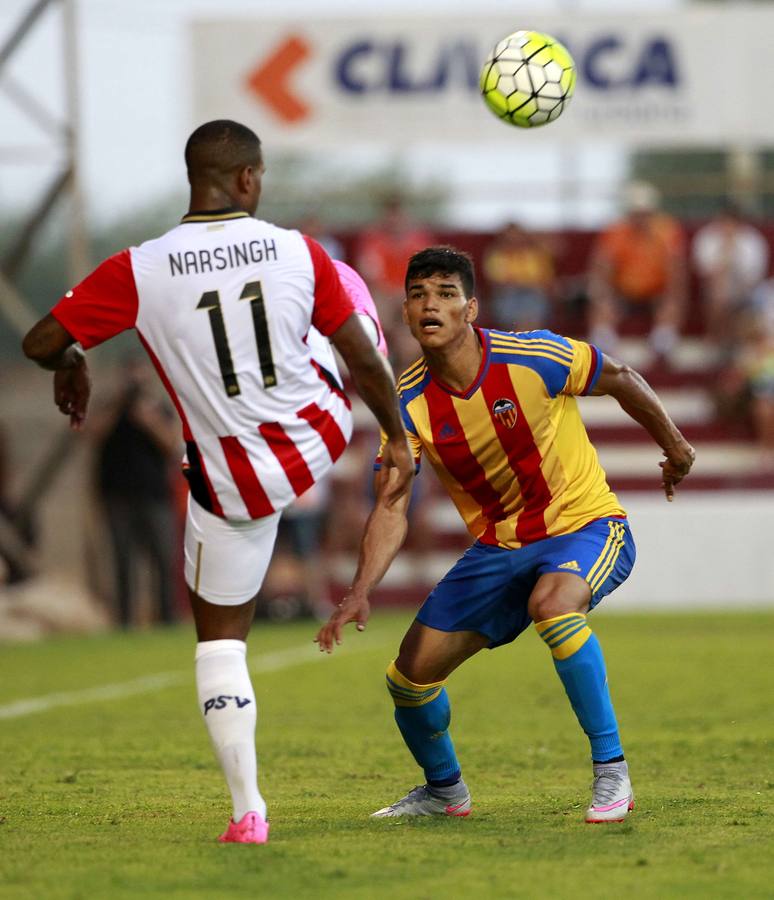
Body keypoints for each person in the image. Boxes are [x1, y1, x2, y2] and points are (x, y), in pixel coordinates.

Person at [21, 119, 414, 846]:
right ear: (246, 180)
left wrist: (72, 358)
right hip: (316, 434)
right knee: (347, 300)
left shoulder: (140, 268)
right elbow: (361, 355)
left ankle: (248, 812)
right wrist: (397, 435)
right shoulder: (296, 249)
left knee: (220, 644)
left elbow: (38, 340)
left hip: (231, 482)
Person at [316, 246, 695, 824]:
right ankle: (444, 791)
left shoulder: (532, 355)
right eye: (417, 295)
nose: (429, 305)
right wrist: (360, 588)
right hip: (499, 548)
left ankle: (611, 771)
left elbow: (619, 376)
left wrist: (675, 446)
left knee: (555, 607)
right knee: (408, 679)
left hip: (585, 526)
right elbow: (392, 503)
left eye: (444, 294)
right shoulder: (406, 403)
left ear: (471, 307)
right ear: (406, 313)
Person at [89, 355, 180, 627]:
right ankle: (125, 621)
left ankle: (167, 619)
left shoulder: (158, 408)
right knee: (122, 562)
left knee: (164, 559)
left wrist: (148, 420)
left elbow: (173, 445)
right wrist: (119, 405)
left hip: (156, 497)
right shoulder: (110, 407)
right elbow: (93, 435)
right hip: (117, 497)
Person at [587, 181, 687, 366]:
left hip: (657, 293)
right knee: (602, 304)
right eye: (636, 213)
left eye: (645, 213)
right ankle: (604, 351)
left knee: (671, 304)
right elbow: (602, 267)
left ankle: (662, 348)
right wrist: (603, 295)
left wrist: (674, 298)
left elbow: (676, 269)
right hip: (622, 293)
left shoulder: (667, 230)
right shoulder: (615, 232)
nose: (640, 219)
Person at [691, 202, 769, 351]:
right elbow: (704, 271)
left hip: (746, 292)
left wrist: (734, 254)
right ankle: (717, 336)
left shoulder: (752, 241)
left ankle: (734, 338)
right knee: (718, 289)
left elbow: (753, 277)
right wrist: (724, 254)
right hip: (714, 291)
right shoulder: (707, 237)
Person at [482, 222, 555, 331]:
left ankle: (529, 336)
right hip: (508, 294)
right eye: (510, 237)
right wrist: (523, 282)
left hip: (532, 293)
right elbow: (497, 282)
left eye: (517, 236)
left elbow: (544, 280)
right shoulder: (496, 255)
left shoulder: (534, 254)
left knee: (534, 300)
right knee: (509, 301)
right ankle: (519, 337)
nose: (513, 240)